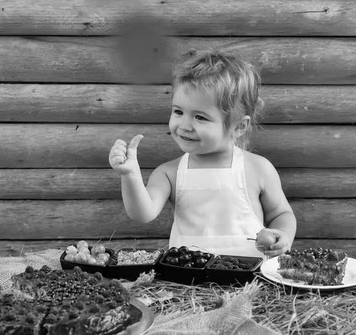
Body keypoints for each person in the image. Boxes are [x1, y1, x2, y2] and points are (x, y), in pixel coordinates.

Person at [108, 50, 296, 258]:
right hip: (187, 281)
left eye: (200, 117)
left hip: (247, 279)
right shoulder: (169, 173)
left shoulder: (258, 168)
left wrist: (283, 235)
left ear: (238, 127)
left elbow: (281, 213)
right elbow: (142, 213)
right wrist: (130, 175)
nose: (185, 125)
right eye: (178, 112)